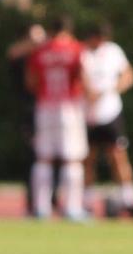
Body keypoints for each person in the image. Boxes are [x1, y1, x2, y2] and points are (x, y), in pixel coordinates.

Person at [25, 17, 89, 221]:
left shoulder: (40, 51)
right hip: (69, 106)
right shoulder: (77, 49)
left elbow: (31, 81)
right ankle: (72, 208)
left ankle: (41, 208)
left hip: (45, 106)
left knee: (43, 158)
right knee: (72, 159)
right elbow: (84, 77)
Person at [80, 21, 133, 215]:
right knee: (88, 158)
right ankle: (86, 201)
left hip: (110, 113)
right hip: (87, 114)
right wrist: (88, 93)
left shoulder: (113, 51)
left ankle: (129, 199)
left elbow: (128, 75)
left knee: (118, 155)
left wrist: (111, 90)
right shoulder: (81, 53)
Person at [6, 23, 45, 216]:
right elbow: (12, 52)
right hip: (30, 112)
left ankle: (52, 200)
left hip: (52, 110)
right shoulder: (22, 57)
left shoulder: (48, 56)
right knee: (33, 156)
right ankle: (33, 203)